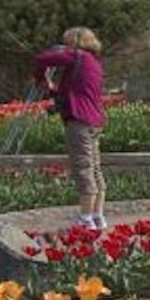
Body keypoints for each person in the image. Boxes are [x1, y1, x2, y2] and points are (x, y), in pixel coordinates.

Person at [32, 27, 107, 231]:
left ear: (75, 42)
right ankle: (97, 215)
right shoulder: (93, 63)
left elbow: (42, 59)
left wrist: (41, 79)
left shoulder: (77, 56)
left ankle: (85, 219)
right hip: (94, 120)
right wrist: (54, 93)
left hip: (79, 122)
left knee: (83, 168)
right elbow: (75, 93)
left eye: (66, 42)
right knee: (95, 169)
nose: (64, 47)